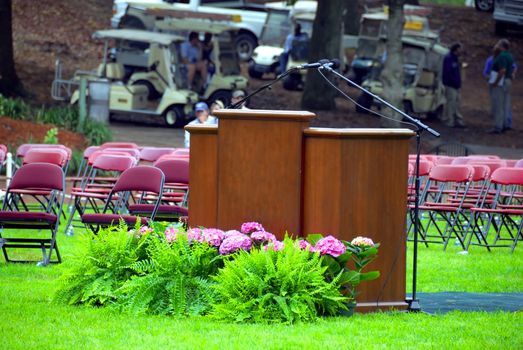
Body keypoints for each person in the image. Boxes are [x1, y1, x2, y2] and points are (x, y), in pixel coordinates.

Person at [484, 42, 517, 131]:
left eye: (498, 45)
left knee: (498, 104)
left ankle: (498, 126)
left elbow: (502, 70)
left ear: (502, 46)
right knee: (505, 104)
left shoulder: (501, 56)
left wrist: (496, 82)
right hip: (507, 81)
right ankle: (505, 124)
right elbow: (513, 68)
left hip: (501, 82)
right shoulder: (509, 55)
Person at [441, 42, 466, 128]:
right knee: (451, 103)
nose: (461, 50)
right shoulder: (449, 58)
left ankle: (457, 119)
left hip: (456, 85)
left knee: (456, 102)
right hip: (450, 85)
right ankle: (450, 121)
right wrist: (451, 82)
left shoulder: (456, 59)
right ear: (456, 49)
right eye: (460, 49)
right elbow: (448, 73)